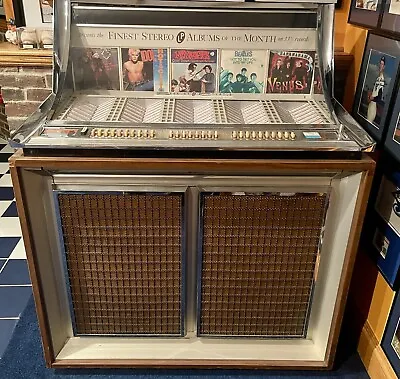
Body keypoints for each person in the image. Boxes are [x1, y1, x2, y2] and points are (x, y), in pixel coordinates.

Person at [367, 56, 386, 125]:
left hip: (374, 105)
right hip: (371, 104)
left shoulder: (382, 79)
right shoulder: (378, 77)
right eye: (380, 64)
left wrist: (373, 98)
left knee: (369, 121)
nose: (380, 66)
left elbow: (379, 97)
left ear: (384, 67)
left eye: (382, 64)